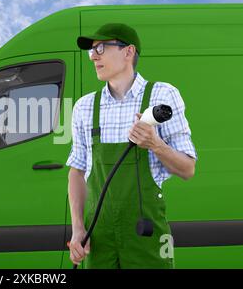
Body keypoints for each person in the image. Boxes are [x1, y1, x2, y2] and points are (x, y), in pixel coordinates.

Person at [66, 23, 197, 268]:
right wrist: (78, 228)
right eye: (92, 51)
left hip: (145, 233)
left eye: (101, 48)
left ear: (128, 52)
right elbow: (77, 170)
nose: (93, 56)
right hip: (99, 236)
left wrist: (155, 144)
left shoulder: (162, 95)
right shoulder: (84, 107)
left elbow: (188, 169)